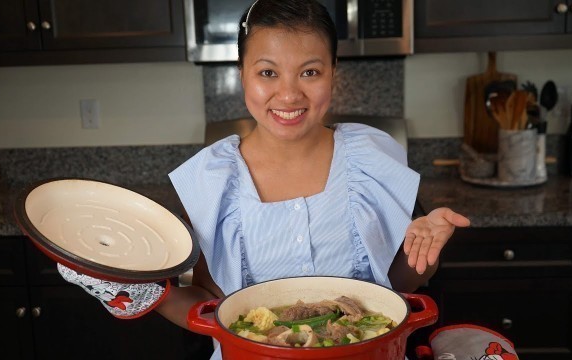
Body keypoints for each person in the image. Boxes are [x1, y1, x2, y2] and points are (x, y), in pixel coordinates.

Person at [58, 0, 470, 358]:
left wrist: (424, 254)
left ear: (333, 73)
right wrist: (134, 284)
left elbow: (392, 286)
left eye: (309, 72)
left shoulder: (371, 158)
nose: (289, 95)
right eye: (268, 73)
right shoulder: (211, 179)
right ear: (242, 73)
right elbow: (207, 301)